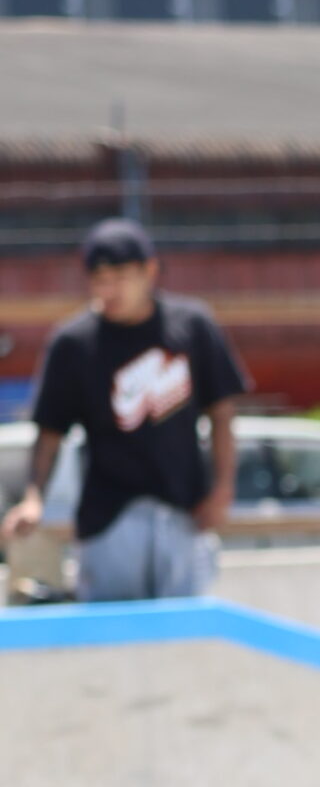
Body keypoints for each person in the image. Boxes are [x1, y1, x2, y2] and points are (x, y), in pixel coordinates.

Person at [1, 219, 248, 602]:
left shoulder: (192, 326)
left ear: (149, 271)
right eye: (97, 278)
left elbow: (221, 413)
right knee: (115, 641)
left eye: (119, 276)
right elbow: (50, 431)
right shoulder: (74, 343)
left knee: (186, 639)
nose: (107, 289)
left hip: (183, 511)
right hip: (108, 518)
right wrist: (35, 498)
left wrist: (223, 489)